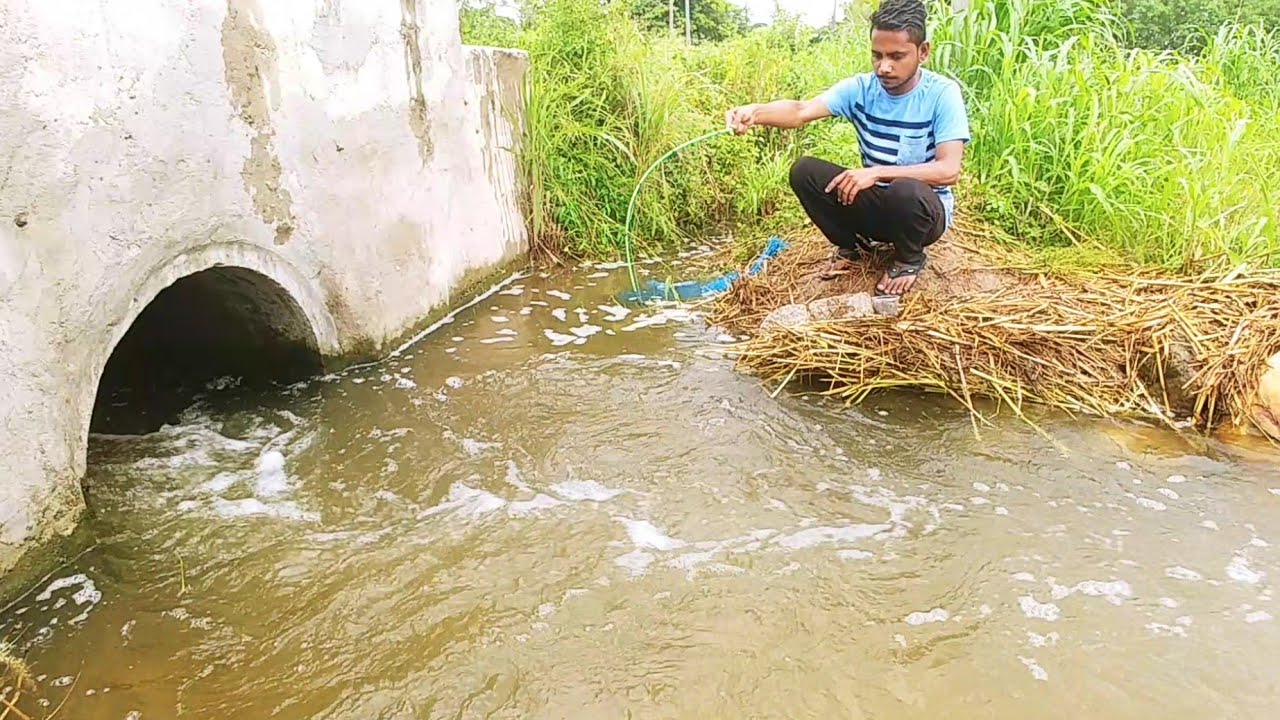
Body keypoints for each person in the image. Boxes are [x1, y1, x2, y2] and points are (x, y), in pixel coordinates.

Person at [725, 0, 970, 297]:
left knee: (905, 189)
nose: (884, 67)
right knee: (805, 171)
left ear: (923, 52)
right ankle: (852, 248)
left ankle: (909, 258)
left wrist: (878, 172)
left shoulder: (942, 94)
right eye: (876, 56)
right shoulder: (861, 89)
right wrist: (756, 113)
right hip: (878, 204)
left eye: (897, 56)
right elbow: (801, 110)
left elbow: (948, 170)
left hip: (920, 213)